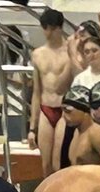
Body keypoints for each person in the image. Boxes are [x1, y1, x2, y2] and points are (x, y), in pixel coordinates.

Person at [29, 8, 75, 177]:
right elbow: (36, 91)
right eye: (45, 28)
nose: (48, 33)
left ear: (59, 28)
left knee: (58, 163)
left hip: (65, 110)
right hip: (45, 108)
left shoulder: (70, 53)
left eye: (52, 28)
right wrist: (31, 127)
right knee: (46, 164)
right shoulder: (37, 54)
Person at [54, 84, 100, 169]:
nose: (63, 116)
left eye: (68, 111)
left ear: (84, 111)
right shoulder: (76, 132)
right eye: (63, 111)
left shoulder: (96, 133)